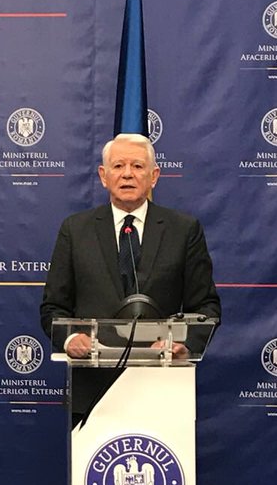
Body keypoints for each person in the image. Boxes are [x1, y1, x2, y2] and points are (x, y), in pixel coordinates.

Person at [40, 133, 220, 416]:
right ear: (103, 176)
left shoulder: (184, 230)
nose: (127, 174)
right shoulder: (75, 230)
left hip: (162, 386)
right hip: (92, 390)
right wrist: (70, 339)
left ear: (154, 176)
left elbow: (206, 307)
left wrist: (184, 344)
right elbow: (53, 307)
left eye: (137, 166)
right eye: (118, 166)